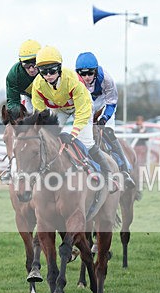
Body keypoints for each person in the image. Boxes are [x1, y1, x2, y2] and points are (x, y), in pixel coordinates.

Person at [30, 45, 114, 187]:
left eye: (52, 70)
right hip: (61, 110)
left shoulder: (73, 80)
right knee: (51, 138)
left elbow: (82, 112)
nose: (48, 75)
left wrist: (73, 134)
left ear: (60, 68)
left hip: (82, 108)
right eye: (44, 71)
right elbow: (41, 113)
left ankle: (109, 176)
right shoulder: (38, 85)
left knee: (87, 143)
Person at [75, 51, 134, 187]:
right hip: (83, 105)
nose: (87, 77)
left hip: (103, 105)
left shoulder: (106, 78)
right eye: (83, 74)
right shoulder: (73, 80)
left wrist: (104, 118)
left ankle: (124, 170)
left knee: (108, 132)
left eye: (90, 73)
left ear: (95, 71)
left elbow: (112, 102)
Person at [6, 39, 41, 120]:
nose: (31, 69)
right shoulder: (14, 74)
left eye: (34, 64)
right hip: (28, 97)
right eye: (26, 65)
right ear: (20, 62)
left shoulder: (48, 70)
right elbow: (13, 101)